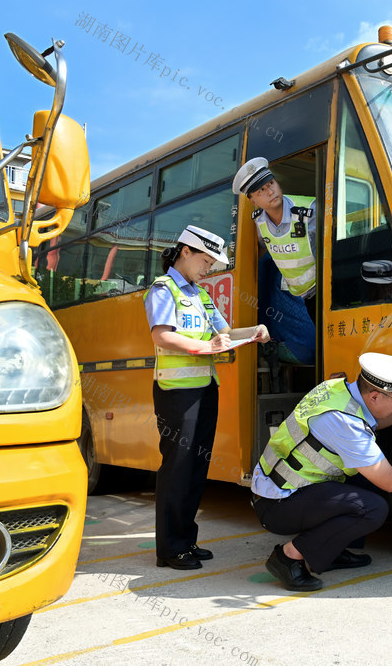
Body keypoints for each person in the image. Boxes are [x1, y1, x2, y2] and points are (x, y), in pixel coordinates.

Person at [251, 353, 392, 591]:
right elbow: (390, 480)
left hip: (280, 485)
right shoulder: (344, 423)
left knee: (366, 480)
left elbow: (370, 420)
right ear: (375, 396)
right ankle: (288, 557)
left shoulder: (337, 388)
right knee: (373, 508)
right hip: (277, 505)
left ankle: (329, 549)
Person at [144, 224, 271, 570]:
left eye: (212, 264)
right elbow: (162, 336)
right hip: (176, 394)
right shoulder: (163, 289)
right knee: (178, 468)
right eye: (206, 261)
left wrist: (254, 331)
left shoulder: (199, 294)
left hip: (204, 389)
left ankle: (187, 541)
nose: (209, 268)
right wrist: (206, 347)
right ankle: (169, 549)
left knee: (197, 467)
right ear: (185, 252)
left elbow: (224, 333)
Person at [233, 157, 316, 364]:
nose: (270, 191)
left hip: (322, 293)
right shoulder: (259, 222)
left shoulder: (310, 211)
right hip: (299, 296)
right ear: (253, 200)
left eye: (271, 184)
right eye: (261, 190)